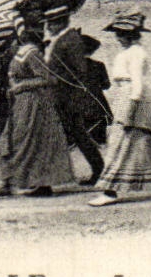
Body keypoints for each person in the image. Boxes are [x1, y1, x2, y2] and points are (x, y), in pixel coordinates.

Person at [90, 12, 151, 206]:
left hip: (134, 99)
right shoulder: (126, 53)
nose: (119, 37)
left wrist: (130, 110)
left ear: (133, 34)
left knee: (120, 143)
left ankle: (110, 191)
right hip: (124, 96)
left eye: (122, 34)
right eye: (117, 33)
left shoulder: (137, 53)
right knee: (149, 141)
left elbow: (138, 84)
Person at [0, 26, 77, 197]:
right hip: (21, 102)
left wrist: (22, 85)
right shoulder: (17, 54)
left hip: (33, 103)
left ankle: (35, 183)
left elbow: (47, 78)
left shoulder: (31, 54)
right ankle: (11, 181)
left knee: (25, 141)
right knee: (13, 140)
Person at [43, 11, 109, 185]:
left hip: (67, 97)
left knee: (73, 134)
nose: (48, 27)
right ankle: (98, 169)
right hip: (60, 96)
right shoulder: (62, 39)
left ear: (62, 22)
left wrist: (57, 78)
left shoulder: (70, 40)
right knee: (77, 135)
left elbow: (80, 70)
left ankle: (97, 169)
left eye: (51, 23)